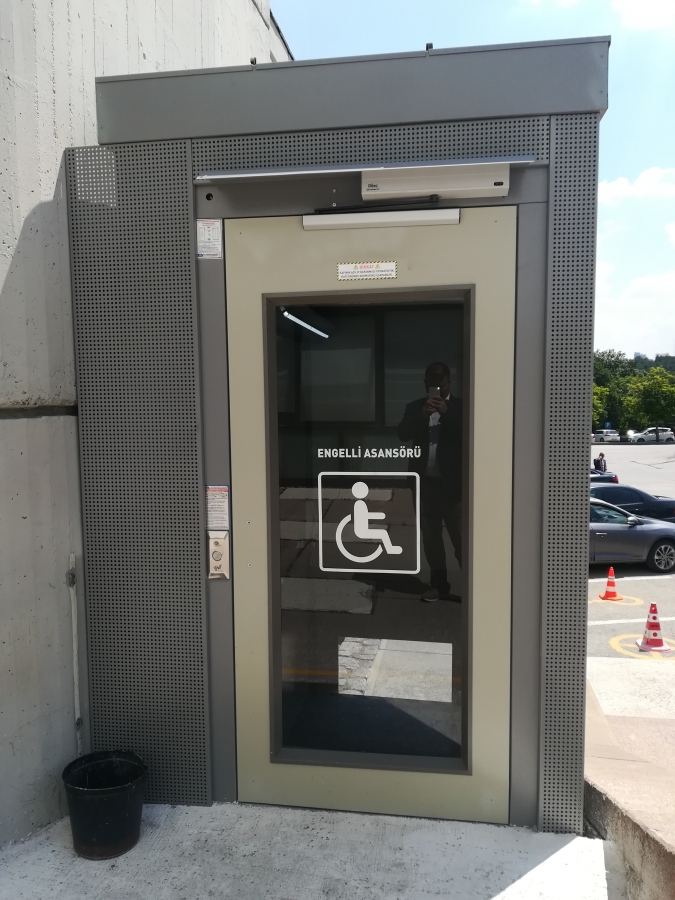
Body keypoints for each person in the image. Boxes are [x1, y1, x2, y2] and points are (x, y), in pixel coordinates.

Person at [397, 362, 462, 602]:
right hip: (425, 486)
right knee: (432, 541)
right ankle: (439, 585)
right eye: (432, 386)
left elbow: (472, 434)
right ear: (425, 384)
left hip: (454, 487)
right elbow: (403, 434)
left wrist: (447, 413)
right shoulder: (415, 407)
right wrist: (421, 416)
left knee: (461, 540)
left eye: (441, 386)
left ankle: (474, 587)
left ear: (449, 383)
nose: (437, 391)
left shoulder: (461, 407)